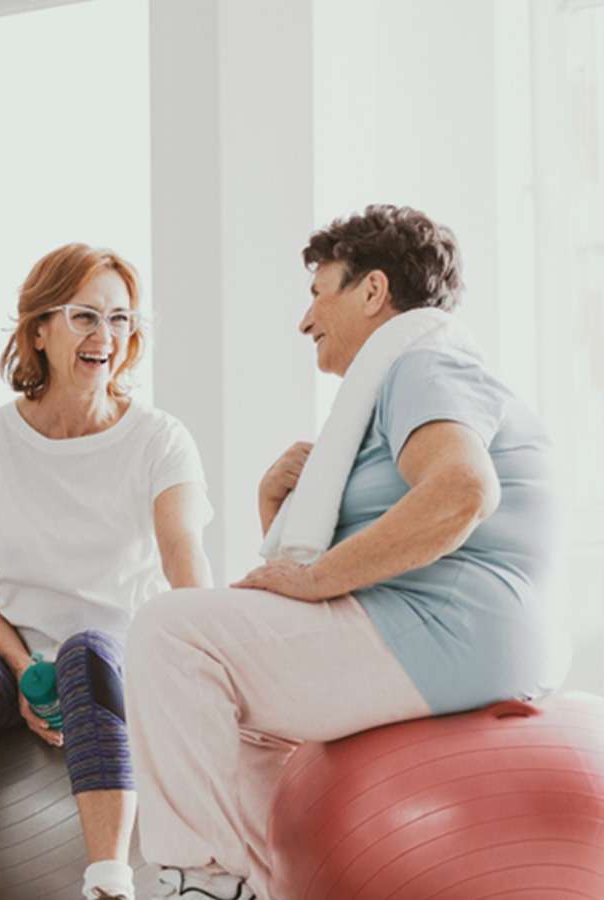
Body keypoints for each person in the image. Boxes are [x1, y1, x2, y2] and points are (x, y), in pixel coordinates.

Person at [128, 204, 560, 900]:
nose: (306, 321)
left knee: (169, 630)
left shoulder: (424, 361)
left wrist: (319, 576)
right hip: (452, 630)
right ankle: (272, 885)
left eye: (318, 291)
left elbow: (461, 492)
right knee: (241, 723)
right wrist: (278, 514)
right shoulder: (403, 380)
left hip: (453, 629)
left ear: (372, 291)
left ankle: (201, 881)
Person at [0, 245, 213, 900]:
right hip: (22, 665)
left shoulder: (159, 440)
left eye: (121, 319)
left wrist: (205, 668)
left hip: (120, 668)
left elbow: (186, 567)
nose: (106, 337)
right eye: (85, 316)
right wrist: (20, 671)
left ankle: (109, 884)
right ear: (38, 329)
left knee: (86, 655)